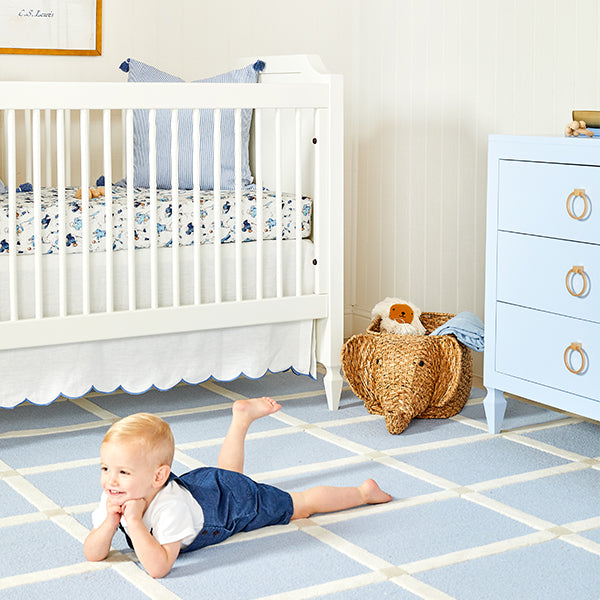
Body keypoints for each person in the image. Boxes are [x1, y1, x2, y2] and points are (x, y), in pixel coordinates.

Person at [84, 397, 393, 578]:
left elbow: (159, 567)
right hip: (204, 487)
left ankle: (362, 492)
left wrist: (134, 523)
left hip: (226, 506)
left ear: (157, 477)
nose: (111, 480)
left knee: (300, 505)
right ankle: (241, 419)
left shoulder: (169, 508)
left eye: (123, 471)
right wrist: (111, 522)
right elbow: (93, 552)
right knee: (229, 477)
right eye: (105, 469)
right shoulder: (115, 494)